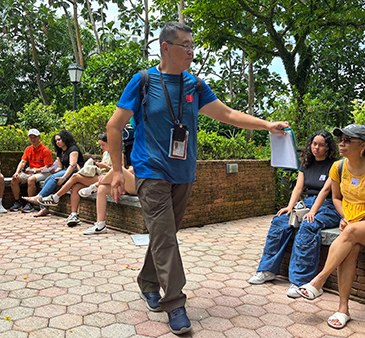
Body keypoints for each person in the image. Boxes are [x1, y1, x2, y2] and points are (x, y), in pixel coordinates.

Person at [105, 22, 289, 335]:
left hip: (183, 172)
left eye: (193, 46)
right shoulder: (143, 81)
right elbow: (114, 126)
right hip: (151, 171)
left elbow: (228, 114)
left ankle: (148, 281)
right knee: (165, 236)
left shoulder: (194, 85)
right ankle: (175, 302)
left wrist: (266, 124)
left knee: (166, 234)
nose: (191, 52)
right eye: (185, 46)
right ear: (166, 47)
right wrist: (117, 171)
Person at [296, 124, 365, 330]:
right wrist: (347, 217)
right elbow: (336, 198)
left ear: (363, 145)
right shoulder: (339, 167)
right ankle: (343, 309)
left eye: (347, 140)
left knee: (350, 233)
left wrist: (357, 221)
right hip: (353, 226)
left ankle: (318, 281)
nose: (342, 143)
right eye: (341, 139)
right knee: (349, 251)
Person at [248, 131, 341, 298]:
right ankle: (267, 270)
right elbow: (298, 188)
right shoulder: (306, 164)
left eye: (321, 145)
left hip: (329, 206)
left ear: (328, 147)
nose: (317, 148)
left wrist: (312, 212)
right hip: (308, 203)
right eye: (314, 144)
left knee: (308, 225)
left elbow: (326, 190)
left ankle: (300, 281)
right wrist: (290, 208)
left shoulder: (334, 165)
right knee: (280, 221)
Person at [35, 133, 112, 227]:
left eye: (103, 145)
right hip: (99, 176)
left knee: (75, 177)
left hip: (107, 178)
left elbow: (120, 171)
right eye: (100, 145)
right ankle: (74, 214)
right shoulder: (105, 153)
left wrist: (106, 166)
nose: (101, 147)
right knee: (76, 186)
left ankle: (55, 197)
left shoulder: (117, 153)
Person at [23, 130, 84, 217]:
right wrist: (53, 172)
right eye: (56, 141)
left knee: (53, 178)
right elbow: (59, 167)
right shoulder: (60, 151)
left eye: (59, 140)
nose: (57, 142)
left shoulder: (73, 149)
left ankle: (39, 197)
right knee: (48, 179)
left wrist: (63, 177)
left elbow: (73, 165)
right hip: (67, 170)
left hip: (76, 170)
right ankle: (44, 208)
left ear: (65, 139)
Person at [82, 164, 136, 235]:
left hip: (141, 185)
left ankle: (96, 185)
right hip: (128, 183)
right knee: (102, 189)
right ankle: (100, 225)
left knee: (117, 169)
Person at [10, 129, 53, 213]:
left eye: (35, 137)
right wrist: (17, 172)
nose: (33, 139)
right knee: (14, 179)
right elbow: (23, 162)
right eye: (30, 137)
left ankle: (31, 203)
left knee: (31, 179)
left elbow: (47, 167)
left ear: (39, 137)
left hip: (43, 171)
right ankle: (18, 201)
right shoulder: (28, 149)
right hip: (30, 169)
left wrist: (34, 171)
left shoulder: (45, 150)